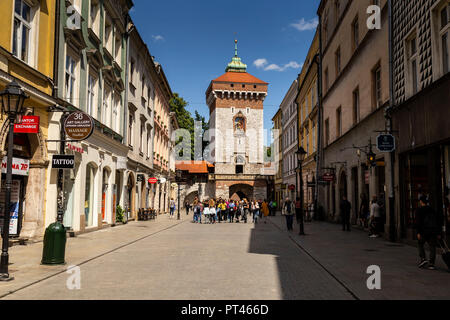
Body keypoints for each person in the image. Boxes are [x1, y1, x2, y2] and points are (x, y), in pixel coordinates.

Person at [415, 196, 443, 270]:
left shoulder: (419, 210)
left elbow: (418, 222)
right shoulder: (432, 209)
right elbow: (438, 221)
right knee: (432, 247)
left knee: (420, 244)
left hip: (423, 231)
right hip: (433, 231)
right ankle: (431, 264)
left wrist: (418, 232)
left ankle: (423, 259)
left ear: (421, 201)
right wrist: (439, 232)